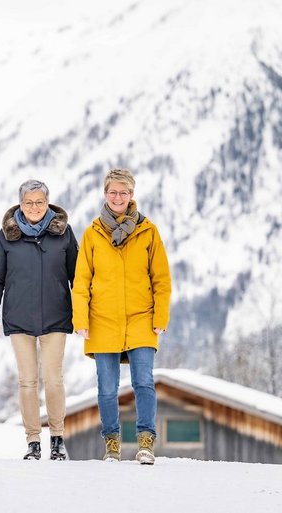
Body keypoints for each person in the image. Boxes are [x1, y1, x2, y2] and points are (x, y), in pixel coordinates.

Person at [72, 168, 171, 465]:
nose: (118, 197)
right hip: (102, 320)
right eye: (113, 192)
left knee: (143, 381)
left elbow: (161, 279)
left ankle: (145, 442)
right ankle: (112, 444)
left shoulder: (148, 231)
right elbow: (81, 282)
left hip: (141, 318)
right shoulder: (92, 233)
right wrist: (81, 320)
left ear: (132, 195)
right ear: (105, 194)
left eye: (123, 192)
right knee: (106, 388)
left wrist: (160, 318)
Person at [0, 179, 78, 461]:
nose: (34, 207)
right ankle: (33, 441)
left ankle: (58, 439)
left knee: (53, 379)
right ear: (20, 204)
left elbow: (79, 277)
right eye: (28, 202)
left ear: (47, 203)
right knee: (27, 381)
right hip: (19, 317)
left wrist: (85, 314)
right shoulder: (7, 235)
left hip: (56, 316)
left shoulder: (64, 233)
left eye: (39, 202)